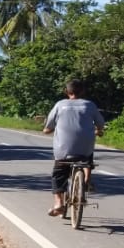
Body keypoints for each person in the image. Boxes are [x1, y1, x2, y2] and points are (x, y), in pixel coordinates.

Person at [42, 79, 105, 217]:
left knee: (58, 173)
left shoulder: (60, 105)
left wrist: (48, 130)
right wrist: (99, 131)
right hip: (85, 148)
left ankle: (59, 203)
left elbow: (48, 127)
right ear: (82, 92)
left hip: (63, 150)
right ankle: (86, 181)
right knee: (87, 154)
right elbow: (100, 123)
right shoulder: (90, 105)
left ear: (67, 92)